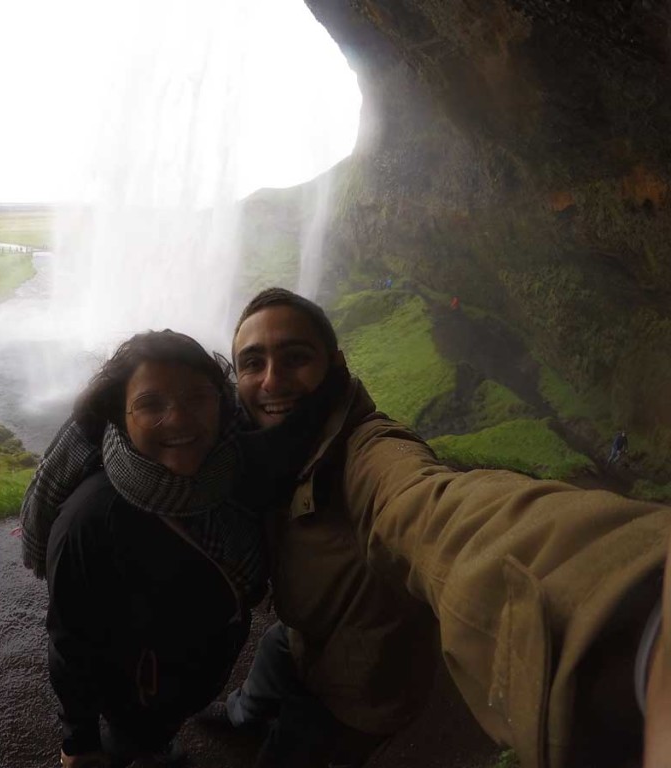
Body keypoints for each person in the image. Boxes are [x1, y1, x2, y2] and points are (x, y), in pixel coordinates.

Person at [206, 287, 670, 768]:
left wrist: (637, 612)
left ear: (335, 362)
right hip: (305, 634)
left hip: (353, 690)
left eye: (296, 357)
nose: (273, 380)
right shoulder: (270, 448)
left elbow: (437, 511)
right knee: (276, 649)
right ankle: (243, 714)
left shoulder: (372, 452)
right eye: (253, 363)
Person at [22, 330, 268, 768]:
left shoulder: (236, 475)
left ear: (221, 403)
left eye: (198, 397)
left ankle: (160, 744)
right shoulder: (91, 520)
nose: (179, 420)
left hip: (195, 674)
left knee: (160, 734)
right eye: (151, 404)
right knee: (132, 743)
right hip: (136, 695)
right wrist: (78, 740)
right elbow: (70, 641)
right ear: (120, 415)